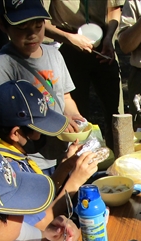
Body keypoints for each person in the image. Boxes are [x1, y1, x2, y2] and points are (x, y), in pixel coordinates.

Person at [0, 79, 99, 230]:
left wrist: (66, 166)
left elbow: (42, 198)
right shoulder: (6, 171)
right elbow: (41, 225)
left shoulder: (11, 150)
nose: (44, 135)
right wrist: (74, 183)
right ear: (16, 133)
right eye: (39, 129)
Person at [0, 0, 85, 175]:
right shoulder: (2, 64)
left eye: (38, 26)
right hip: (32, 158)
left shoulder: (54, 54)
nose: (32, 34)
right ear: (3, 25)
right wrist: (57, 123)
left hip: (61, 150)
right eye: (22, 27)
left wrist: (75, 117)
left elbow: (65, 97)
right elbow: (7, 118)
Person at [45, 0, 124, 141]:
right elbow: (39, 22)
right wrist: (68, 38)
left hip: (103, 43)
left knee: (117, 114)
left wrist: (109, 37)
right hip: (68, 43)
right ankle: (79, 157)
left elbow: (114, 8)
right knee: (76, 113)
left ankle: (120, 156)